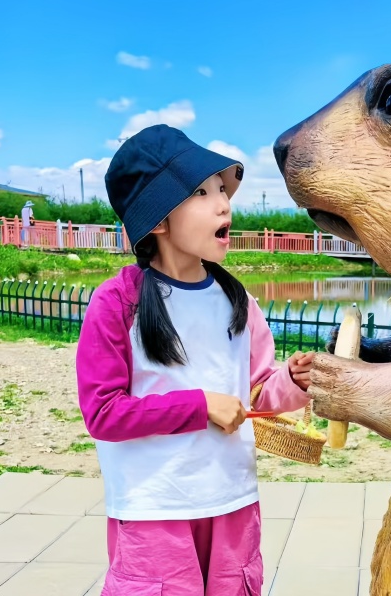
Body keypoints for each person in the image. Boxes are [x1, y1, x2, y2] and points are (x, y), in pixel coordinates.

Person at [76, 124, 314, 595]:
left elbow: (258, 390)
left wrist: (293, 379)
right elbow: (103, 413)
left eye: (222, 189)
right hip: (154, 507)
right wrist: (200, 404)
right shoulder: (118, 303)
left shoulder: (238, 301)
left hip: (231, 499)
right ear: (158, 220)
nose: (224, 202)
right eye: (202, 192)